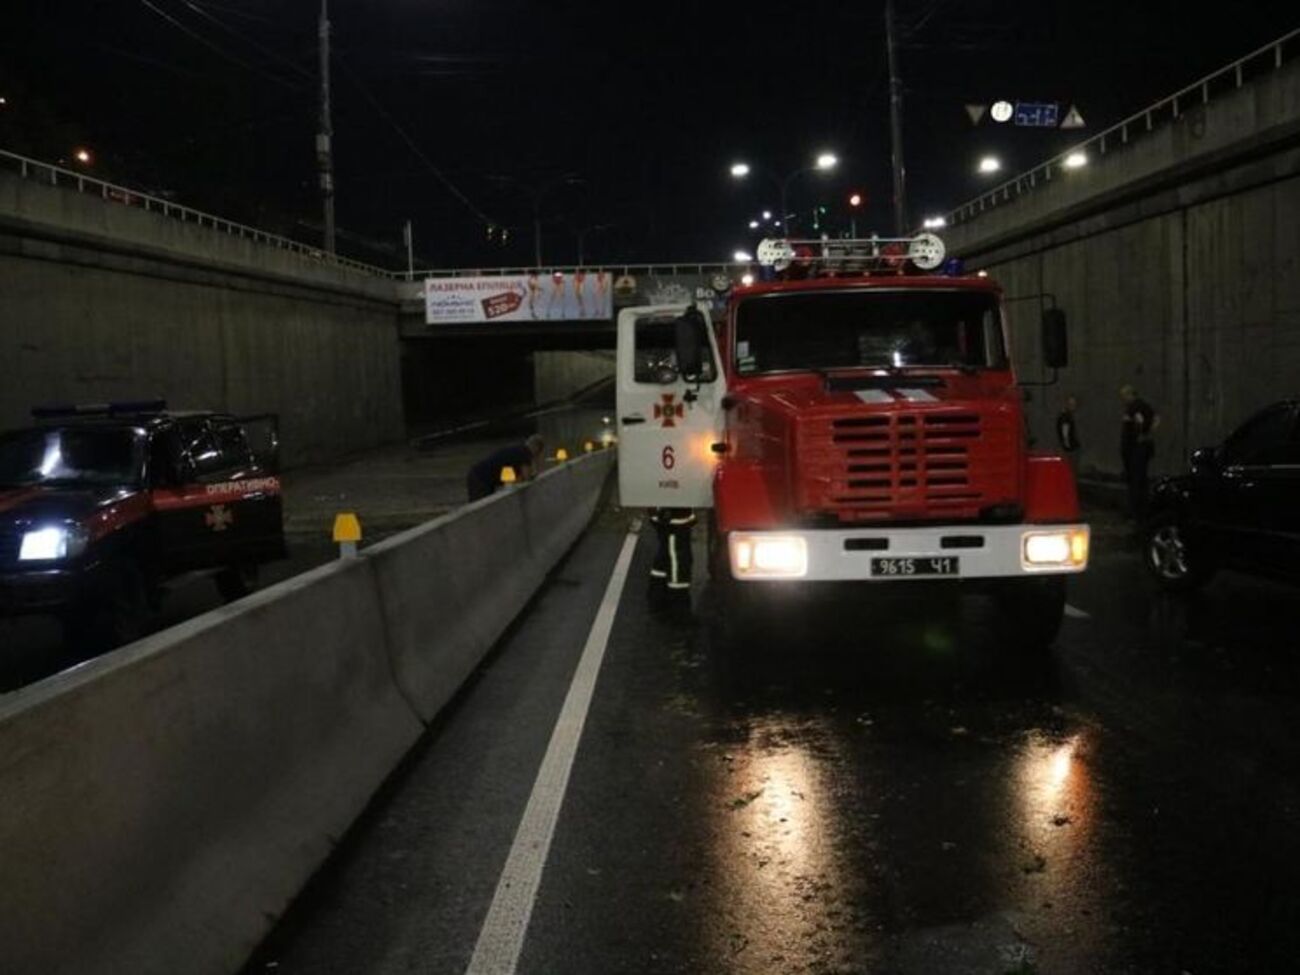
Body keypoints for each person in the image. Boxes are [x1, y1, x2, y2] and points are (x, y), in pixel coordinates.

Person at [465, 434, 544, 502]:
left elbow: (519, 478)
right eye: (537, 453)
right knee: (481, 508)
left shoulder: (518, 450)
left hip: (480, 477)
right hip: (480, 478)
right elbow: (527, 477)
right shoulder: (525, 452)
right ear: (536, 447)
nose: (535, 456)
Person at [1119, 385, 1158, 520]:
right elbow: (1156, 419)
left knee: (1135, 479)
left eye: (1124, 396)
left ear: (1130, 394)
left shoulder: (1134, 407)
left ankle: (1135, 511)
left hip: (1136, 449)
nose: (1123, 399)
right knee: (1141, 479)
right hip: (1143, 448)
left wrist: (1141, 434)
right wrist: (1149, 434)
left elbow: (1139, 421)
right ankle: (1143, 509)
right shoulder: (1145, 405)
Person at [648, 507, 695, 611]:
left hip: (670, 520)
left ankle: (657, 598)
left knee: (665, 558)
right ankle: (678, 609)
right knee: (678, 564)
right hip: (674, 523)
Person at [1056, 394, 1081, 465]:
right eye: (1071, 404)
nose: (1073, 406)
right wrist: (1068, 447)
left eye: (1074, 404)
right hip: (1070, 450)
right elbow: (1065, 434)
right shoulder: (1066, 418)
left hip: (1069, 448)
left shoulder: (1065, 416)